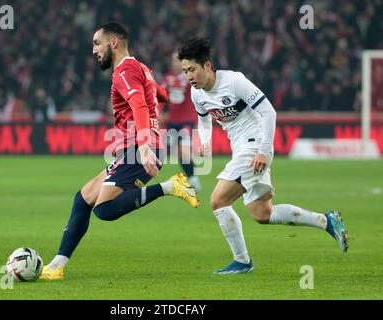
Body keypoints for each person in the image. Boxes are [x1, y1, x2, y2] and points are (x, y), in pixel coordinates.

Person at [39, 23, 199, 280]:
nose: (94, 50)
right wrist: (153, 101)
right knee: (83, 199)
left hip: (139, 149)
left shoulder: (123, 71)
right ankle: (57, 266)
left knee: (105, 210)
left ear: (114, 42)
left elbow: (139, 103)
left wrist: (145, 145)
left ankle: (170, 187)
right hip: (137, 148)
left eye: (96, 43)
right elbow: (162, 96)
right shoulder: (142, 69)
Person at [177, 38, 349, 275]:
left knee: (218, 201)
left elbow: (268, 111)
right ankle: (326, 221)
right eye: (185, 71)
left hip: (254, 146)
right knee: (262, 213)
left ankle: (242, 262)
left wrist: (263, 150)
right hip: (242, 149)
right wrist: (204, 142)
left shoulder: (234, 81)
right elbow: (203, 120)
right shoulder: (198, 94)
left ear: (207, 65)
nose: (188, 76)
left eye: (192, 70)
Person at [161, 53, 202, 192]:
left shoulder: (190, 78)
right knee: (178, 152)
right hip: (172, 121)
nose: (175, 64)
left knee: (183, 150)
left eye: (178, 61)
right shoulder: (167, 78)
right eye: (173, 61)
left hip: (187, 120)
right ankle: (192, 177)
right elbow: (160, 97)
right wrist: (159, 112)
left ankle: (193, 178)